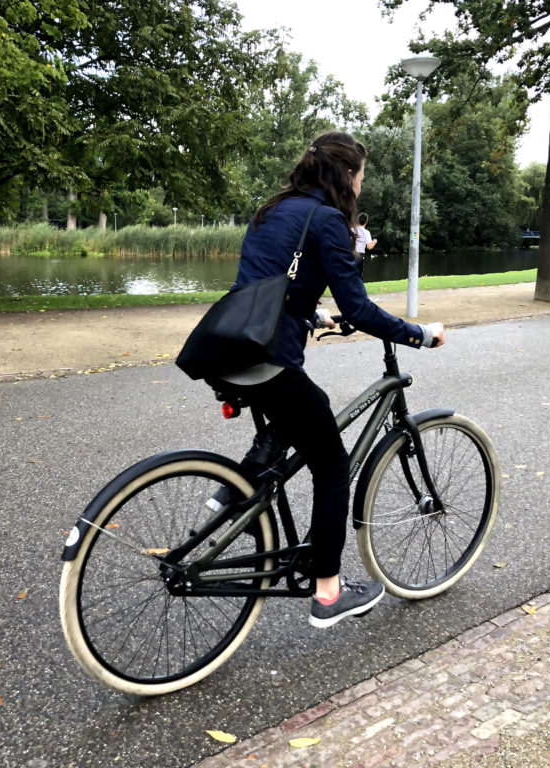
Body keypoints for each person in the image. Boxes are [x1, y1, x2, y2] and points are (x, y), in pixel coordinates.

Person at [209, 131, 445, 629]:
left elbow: (269, 283)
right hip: (271, 360)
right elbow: (358, 307)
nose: (361, 184)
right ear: (346, 175)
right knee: (333, 466)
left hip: (230, 346)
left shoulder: (272, 209)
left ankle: (232, 492)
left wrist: (311, 314)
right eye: (360, 175)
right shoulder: (329, 220)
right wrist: (419, 334)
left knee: (294, 420)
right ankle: (328, 591)